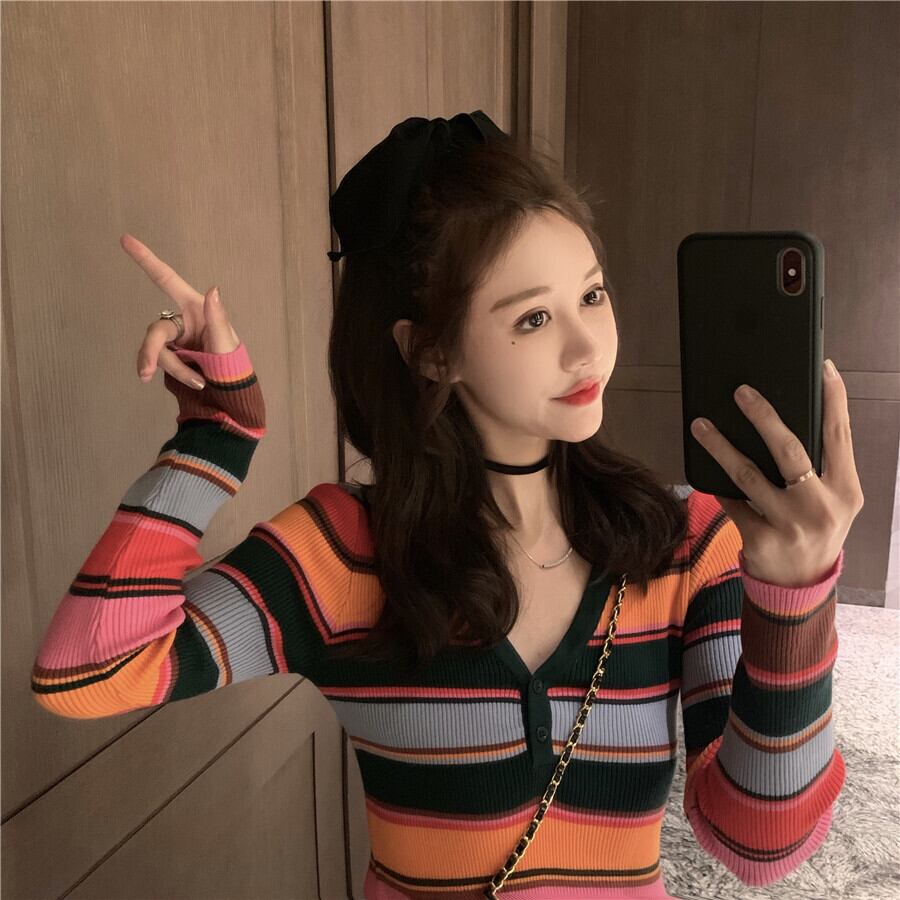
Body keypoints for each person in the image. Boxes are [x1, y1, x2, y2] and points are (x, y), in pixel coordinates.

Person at [32, 112, 846, 899]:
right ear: (430, 351)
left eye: (592, 296)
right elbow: (89, 673)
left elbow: (757, 845)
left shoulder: (682, 541)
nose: (587, 346)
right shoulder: (345, 553)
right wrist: (213, 442)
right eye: (534, 317)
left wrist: (795, 600)